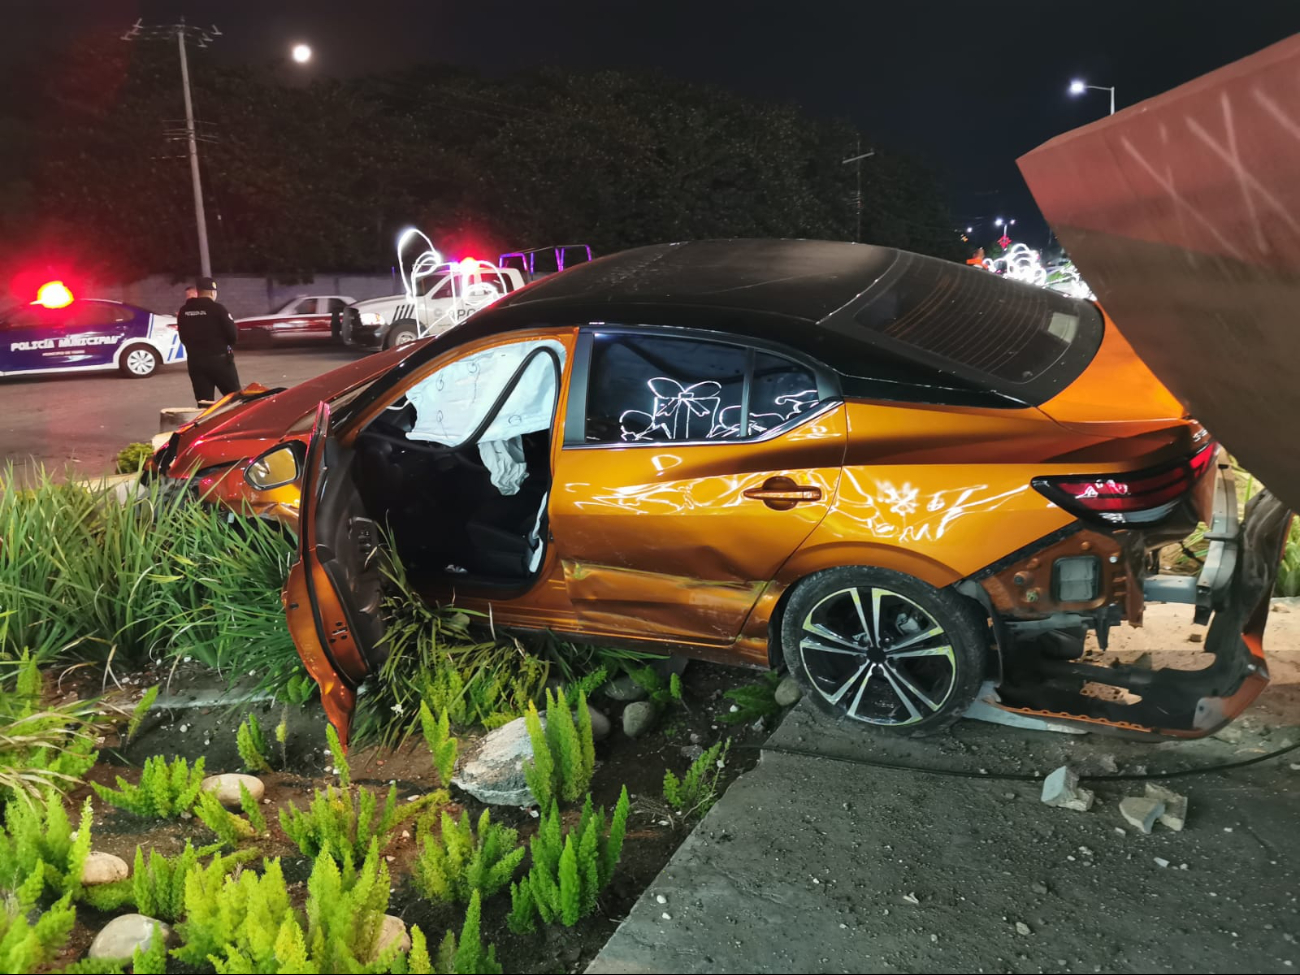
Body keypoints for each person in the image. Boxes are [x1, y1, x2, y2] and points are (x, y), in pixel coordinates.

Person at [177, 277, 241, 406]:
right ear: (213, 293)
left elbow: (183, 337)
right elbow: (233, 335)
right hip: (220, 361)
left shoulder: (184, 311)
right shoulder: (218, 309)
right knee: (235, 399)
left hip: (196, 362)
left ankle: (207, 425)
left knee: (204, 403)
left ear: (198, 291)